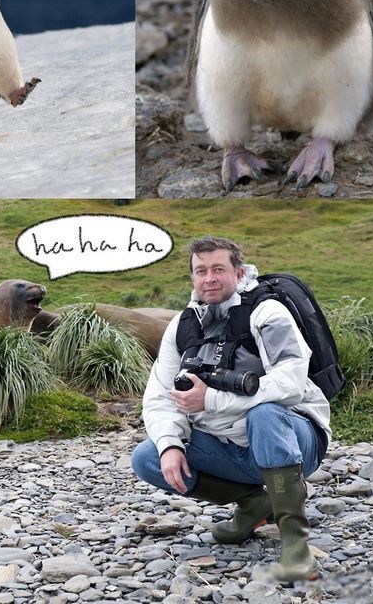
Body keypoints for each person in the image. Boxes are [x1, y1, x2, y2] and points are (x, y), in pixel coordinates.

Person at [131, 230, 330, 578]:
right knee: (148, 457)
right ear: (192, 277)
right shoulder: (183, 326)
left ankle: (297, 549)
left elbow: (291, 382)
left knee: (265, 413)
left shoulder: (268, 313)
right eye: (201, 270)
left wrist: (211, 398)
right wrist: (170, 444)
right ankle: (254, 503)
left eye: (218, 269)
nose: (209, 278)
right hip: (230, 448)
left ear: (239, 273)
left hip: (293, 441)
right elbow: (160, 396)